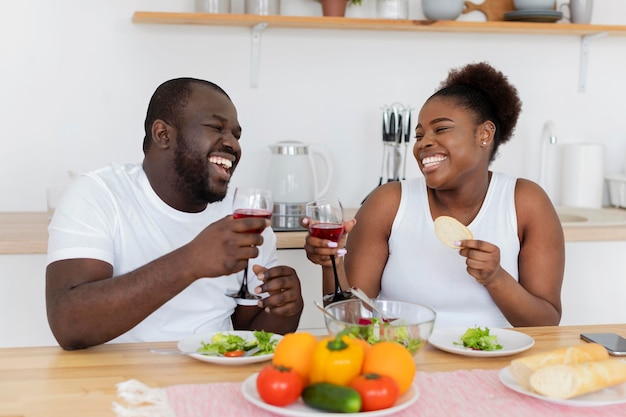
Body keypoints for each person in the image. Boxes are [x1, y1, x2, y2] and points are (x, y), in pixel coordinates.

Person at [46, 78, 304, 350]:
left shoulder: (242, 211)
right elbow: (68, 326)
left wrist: (284, 311)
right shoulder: (98, 194)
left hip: (213, 377)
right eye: (216, 127)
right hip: (117, 381)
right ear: (163, 134)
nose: (233, 144)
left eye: (236, 135)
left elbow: (247, 337)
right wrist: (190, 261)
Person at [304, 62, 564, 329]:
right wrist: (332, 263)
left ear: (484, 134)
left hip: (496, 362)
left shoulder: (526, 202)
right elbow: (350, 324)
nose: (424, 143)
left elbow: (546, 322)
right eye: (419, 135)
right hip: (405, 361)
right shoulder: (387, 204)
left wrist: (496, 277)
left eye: (440, 129)